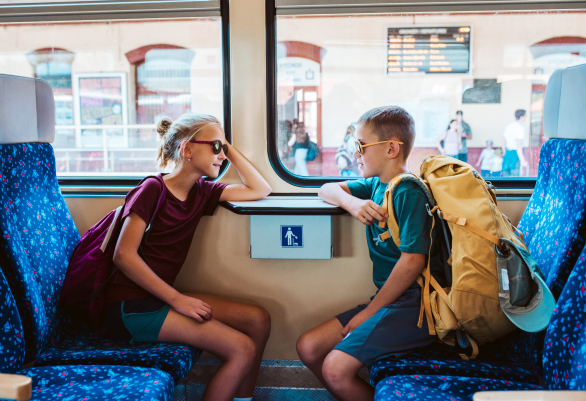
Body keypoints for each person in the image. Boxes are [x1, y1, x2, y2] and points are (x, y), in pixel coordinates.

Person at [103, 114, 272, 401]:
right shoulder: (152, 189)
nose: (222, 155)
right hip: (130, 306)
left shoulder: (202, 192)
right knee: (241, 348)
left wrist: (226, 146)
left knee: (258, 319)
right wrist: (178, 300)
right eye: (215, 147)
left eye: (223, 149)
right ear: (187, 149)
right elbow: (123, 255)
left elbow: (260, 189)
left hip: (157, 298)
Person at [296, 106, 445, 401]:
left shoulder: (408, 192)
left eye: (361, 146)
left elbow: (413, 261)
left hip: (417, 306)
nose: (356, 154)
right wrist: (352, 205)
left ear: (391, 148)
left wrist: (369, 312)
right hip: (394, 302)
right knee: (308, 346)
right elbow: (327, 189)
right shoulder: (376, 184)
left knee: (335, 370)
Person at [502, 109, 529, 177]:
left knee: (507, 176)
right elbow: (518, 145)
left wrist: (505, 154)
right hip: (515, 154)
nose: (526, 117)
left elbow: (503, 142)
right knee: (515, 176)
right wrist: (522, 161)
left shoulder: (508, 126)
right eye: (525, 115)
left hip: (507, 152)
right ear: (521, 116)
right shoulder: (520, 128)